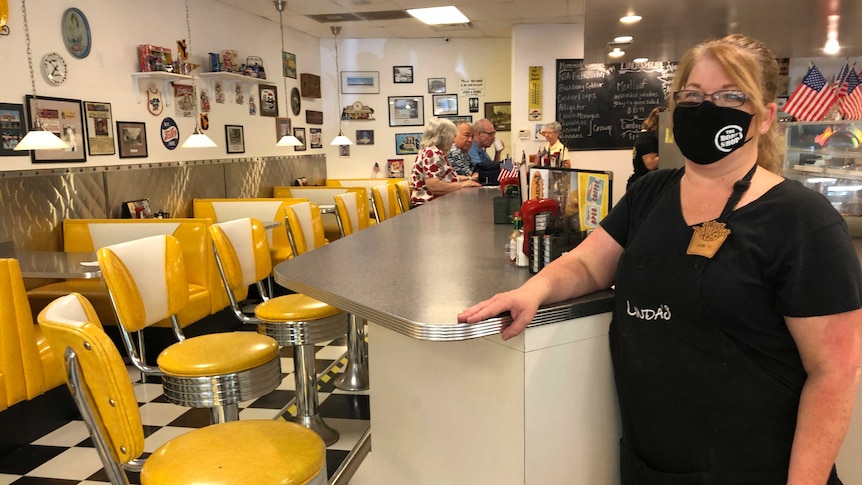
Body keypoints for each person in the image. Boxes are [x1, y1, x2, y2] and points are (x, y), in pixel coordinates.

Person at [459, 34, 862, 485]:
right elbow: (589, 263)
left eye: (731, 96)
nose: (708, 108)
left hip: (755, 469)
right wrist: (531, 291)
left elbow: (835, 372)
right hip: (648, 466)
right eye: (693, 96)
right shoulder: (651, 193)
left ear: (765, 117)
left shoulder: (802, 221)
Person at [410, 117, 480, 207]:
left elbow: (445, 177)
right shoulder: (432, 153)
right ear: (444, 137)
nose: (453, 140)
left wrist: (469, 179)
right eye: (452, 136)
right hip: (428, 206)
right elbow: (435, 186)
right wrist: (463, 185)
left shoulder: (432, 151)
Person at [627, 107, 662, 190]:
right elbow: (651, 163)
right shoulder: (648, 138)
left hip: (641, 182)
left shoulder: (645, 136)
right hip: (643, 185)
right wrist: (672, 155)